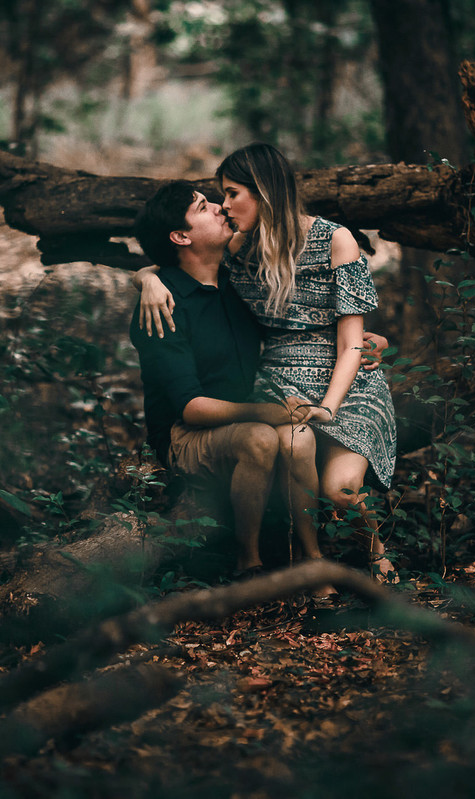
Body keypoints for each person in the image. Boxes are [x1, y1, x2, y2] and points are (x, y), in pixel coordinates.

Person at [136, 143, 398, 581]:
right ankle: (307, 563)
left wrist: (334, 400)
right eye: (217, 197)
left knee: (343, 492)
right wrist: (147, 278)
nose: (223, 206)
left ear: (264, 191)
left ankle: (375, 549)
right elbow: (182, 266)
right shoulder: (238, 249)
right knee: (293, 443)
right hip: (279, 387)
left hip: (347, 386)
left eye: (232, 193)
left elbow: (353, 339)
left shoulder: (336, 239)